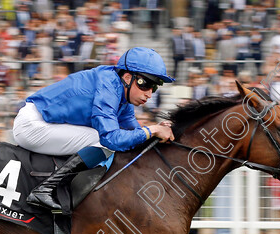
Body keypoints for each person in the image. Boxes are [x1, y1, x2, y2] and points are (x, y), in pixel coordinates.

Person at [12, 47, 175, 211]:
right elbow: (112, 139)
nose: (149, 94)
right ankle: (45, 189)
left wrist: (156, 131)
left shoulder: (122, 96)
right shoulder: (108, 87)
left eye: (154, 87)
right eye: (145, 84)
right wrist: (152, 130)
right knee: (102, 141)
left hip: (45, 122)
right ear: (127, 77)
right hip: (32, 125)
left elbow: (133, 134)